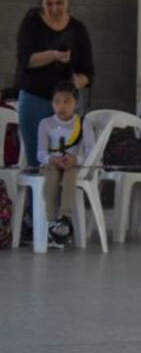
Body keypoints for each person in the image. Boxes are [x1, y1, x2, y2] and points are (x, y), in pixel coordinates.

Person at [16, 0, 95, 167]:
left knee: (65, 157)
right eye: (48, 4)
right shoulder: (32, 22)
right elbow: (26, 59)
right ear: (42, 2)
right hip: (35, 97)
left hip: (65, 102)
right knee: (38, 160)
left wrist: (78, 81)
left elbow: (89, 71)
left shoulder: (78, 29)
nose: (54, 9)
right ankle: (36, 197)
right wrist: (53, 55)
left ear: (68, 0)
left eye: (59, 3)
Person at [36, 80, 95, 248]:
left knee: (70, 173)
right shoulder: (45, 123)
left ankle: (64, 218)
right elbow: (40, 153)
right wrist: (51, 159)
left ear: (76, 103)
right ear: (52, 103)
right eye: (57, 101)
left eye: (67, 101)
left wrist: (76, 159)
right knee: (52, 174)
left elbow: (91, 150)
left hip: (72, 164)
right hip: (51, 164)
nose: (61, 106)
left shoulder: (83, 124)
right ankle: (51, 219)